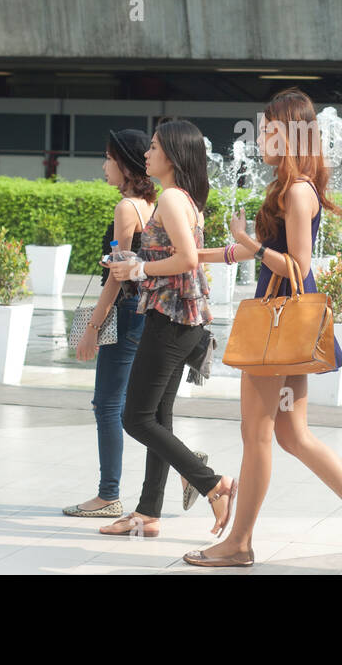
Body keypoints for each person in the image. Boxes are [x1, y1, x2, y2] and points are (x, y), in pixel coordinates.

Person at [182, 89, 342, 572]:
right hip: (283, 325)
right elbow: (253, 253)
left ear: (293, 133)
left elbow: (297, 265)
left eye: (270, 128)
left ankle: (239, 543)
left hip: (278, 322)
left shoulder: (298, 190)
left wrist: (250, 246)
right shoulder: (288, 188)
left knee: (256, 435)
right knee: (292, 435)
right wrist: (195, 255)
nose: (261, 135)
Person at [100, 120, 236, 538]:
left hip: (171, 321)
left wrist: (137, 268)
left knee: (134, 418)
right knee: (157, 416)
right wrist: (228, 253)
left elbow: (186, 260)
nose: (146, 154)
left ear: (173, 156)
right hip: (183, 321)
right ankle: (147, 512)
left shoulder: (173, 199)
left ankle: (212, 483)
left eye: (154, 147)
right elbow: (194, 253)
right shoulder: (182, 199)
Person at [62, 130, 157, 519]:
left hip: (124, 309)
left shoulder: (126, 209)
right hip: (147, 312)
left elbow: (119, 275)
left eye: (108, 158)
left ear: (126, 164)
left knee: (107, 405)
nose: (103, 166)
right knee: (140, 408)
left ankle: (108, 495)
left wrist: (92, 329)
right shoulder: (154, 205)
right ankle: (188, 468)